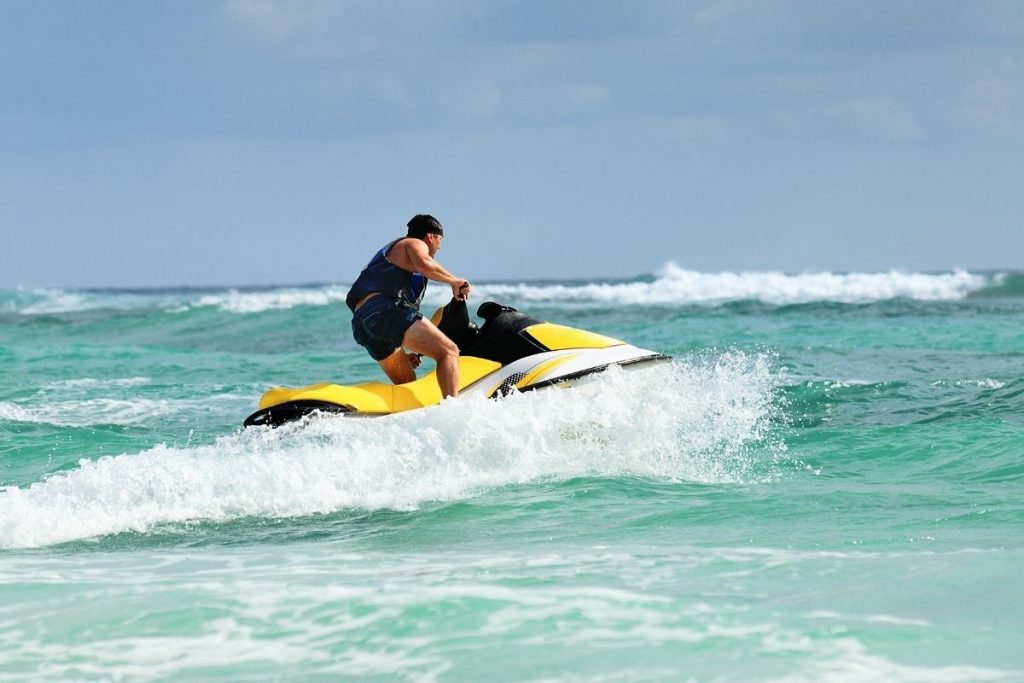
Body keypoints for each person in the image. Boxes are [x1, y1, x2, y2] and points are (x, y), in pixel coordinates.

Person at [346, 214, 471, 397]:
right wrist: (455, 281)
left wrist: (403, 347)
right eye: (440, 239)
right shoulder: (413, 243)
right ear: (431, 236)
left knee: (407, 384)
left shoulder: (395, 256)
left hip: (364, 324)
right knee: (449, 352)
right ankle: (453, 410)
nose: (440, 246)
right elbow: (426, 265)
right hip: (382, 311)